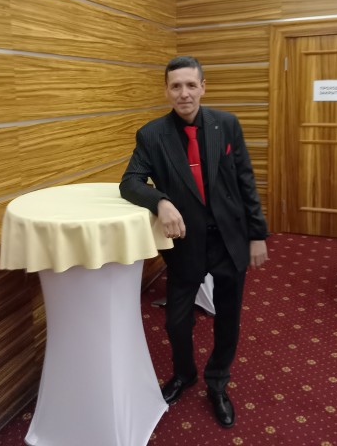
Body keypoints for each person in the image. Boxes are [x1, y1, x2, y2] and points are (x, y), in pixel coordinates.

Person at [120, 55, 268, 429]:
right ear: (166, 91)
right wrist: (160, 201)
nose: (183, 93)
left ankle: (217, 383)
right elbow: (130, 182)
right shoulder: (151, 135)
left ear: (203, 86)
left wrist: (257, 234)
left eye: (190, 85)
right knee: (176, 321)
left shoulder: (226, 124)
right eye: (176, 86)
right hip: (186, 242)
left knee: (228, 319)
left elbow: (246, 181)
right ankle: (184, 374)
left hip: (230, 239)